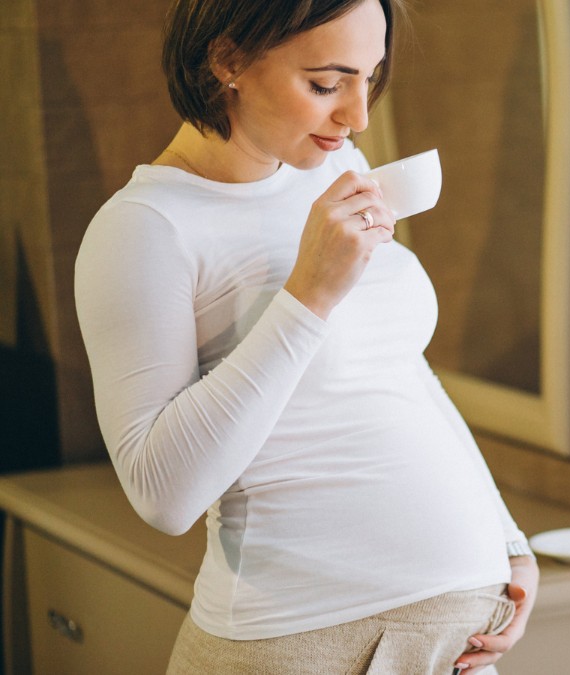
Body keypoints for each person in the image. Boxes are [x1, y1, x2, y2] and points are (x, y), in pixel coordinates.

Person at [73, 0, 538, 672]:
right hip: (297, 645)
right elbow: (162, 492)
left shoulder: (329, 169)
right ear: (226, 59)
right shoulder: (144, 229)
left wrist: (505, 536)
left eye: (369, 79)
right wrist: (310, 292)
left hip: (453, 646)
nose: (358, 116)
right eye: (326, 84)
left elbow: (400, 370)